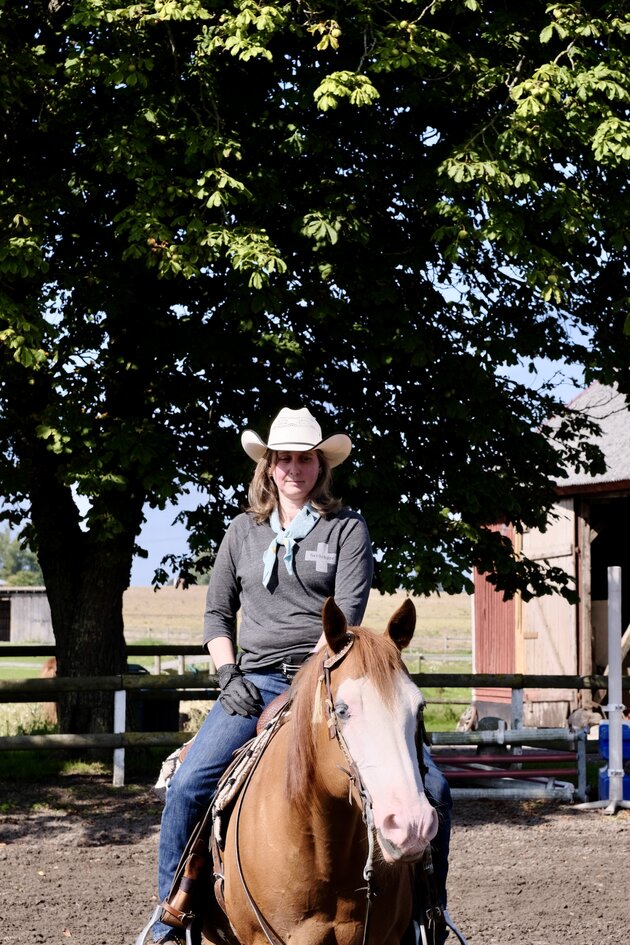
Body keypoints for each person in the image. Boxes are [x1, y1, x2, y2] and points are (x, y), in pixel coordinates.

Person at [139, 406, 451, 945]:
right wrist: (226, 672)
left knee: (439, 789)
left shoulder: (347, 528)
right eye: (282, 458)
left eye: (304, 459)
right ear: (268, 466)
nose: (293, 468)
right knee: (189, 784)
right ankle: (174, 909)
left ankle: (429, 911)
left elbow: (345, 618)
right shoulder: (241, 532)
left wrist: (307, 682)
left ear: (319, 465)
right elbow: (217, 614)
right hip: (253, 682)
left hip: (330, 679)